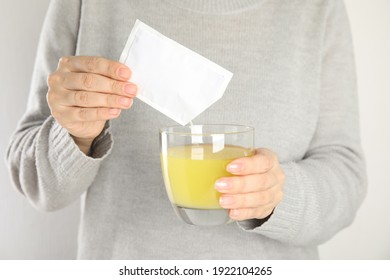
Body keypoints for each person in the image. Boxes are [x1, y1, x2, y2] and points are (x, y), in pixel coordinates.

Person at [6, 0, 367, 259]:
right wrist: (76, 135)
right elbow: (37, 186)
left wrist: (277, 196)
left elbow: (345, 174)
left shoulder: (318, 8)